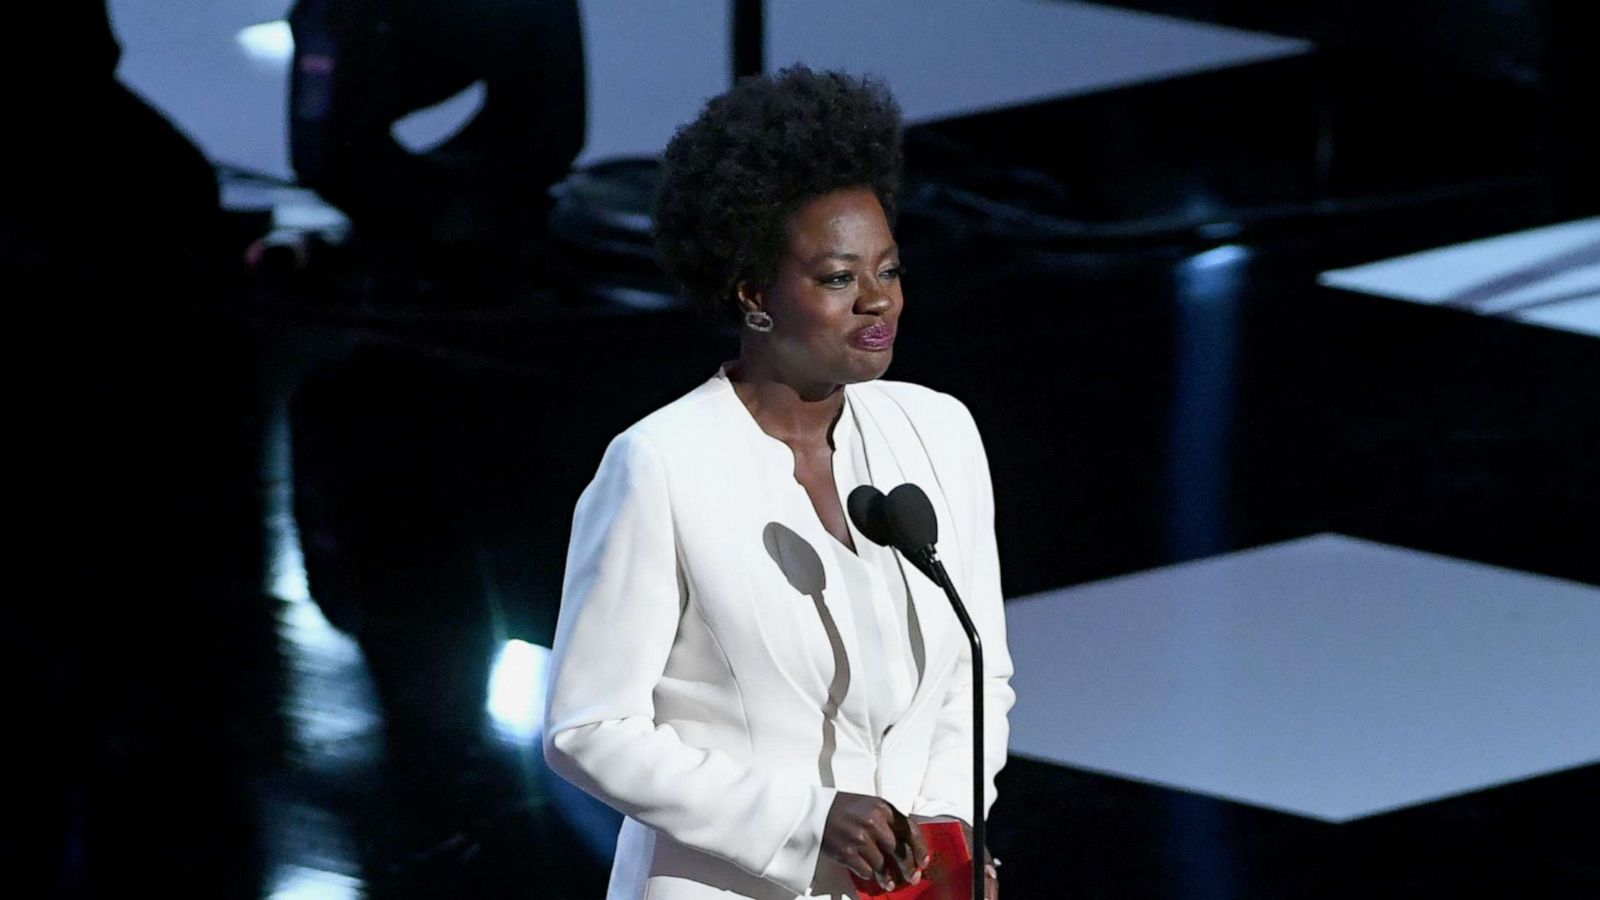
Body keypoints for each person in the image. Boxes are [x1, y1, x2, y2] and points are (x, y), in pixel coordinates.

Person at [543, 65, 1013, 900]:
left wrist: (942, 836)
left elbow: (978, 680)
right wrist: (804, 819)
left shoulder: (940, 433)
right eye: (838, 279)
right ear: (755, 294)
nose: (879, 303)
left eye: (889, 271)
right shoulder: (661, 465)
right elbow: (588, 730)